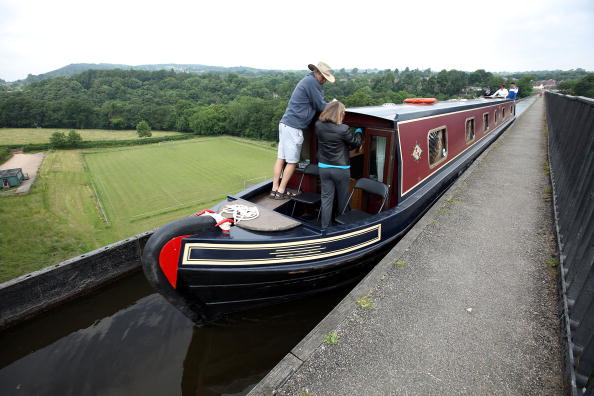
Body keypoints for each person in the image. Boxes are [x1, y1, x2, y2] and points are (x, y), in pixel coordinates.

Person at [271, 62, 335, 200]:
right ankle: (281, 191)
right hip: (294, 126)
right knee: (292, 162)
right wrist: (333, 105)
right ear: (317, 73)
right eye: (323, 78)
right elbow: (320, 106)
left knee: (281, 159)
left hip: (285, 124)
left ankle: (274, 188)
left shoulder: (307, 80)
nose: (324, 81)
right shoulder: (312, 83)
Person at [315, 101, 363, 227]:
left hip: (324, 168)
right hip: (341, 169)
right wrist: (359, 131)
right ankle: (343, 227)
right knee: (343, 199)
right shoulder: (343, 129)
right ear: (340, 114)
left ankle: (325, 229)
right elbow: (356, 143)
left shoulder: (318, 125)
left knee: (326, 199)